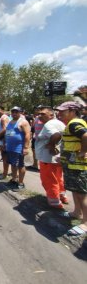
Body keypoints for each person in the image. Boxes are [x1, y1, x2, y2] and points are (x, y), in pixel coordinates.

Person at [56, 101, 87, 236]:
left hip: (78, 166)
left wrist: (83, 151)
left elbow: (85, 136)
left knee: (82, 193)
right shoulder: (71, 123)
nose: (60, 113)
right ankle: (76, 212)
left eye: (63, 111)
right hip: (71, 164)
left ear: (73, 111)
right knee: (75, 190)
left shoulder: (74, 123)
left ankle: (85, 223)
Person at [35, 106, 67, 209]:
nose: (39, 116)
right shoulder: (59, 123)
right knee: (58, 178)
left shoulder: (49, 124)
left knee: (49, 179)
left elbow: (56, 135)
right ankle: (62, 195)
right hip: (57, 157)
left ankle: (54, 202)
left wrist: (51, 146)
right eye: (39, 114)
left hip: (48, 158)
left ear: (51, 115)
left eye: (43, 114)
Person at [4, 106, 31, 191]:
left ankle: (21, 183)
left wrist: (26, 148)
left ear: (20, 113)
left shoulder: (23, 122)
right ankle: (14, 180)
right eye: (13, 112)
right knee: (13, 164)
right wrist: (5, 143)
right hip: (9, 147)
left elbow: (27, 134)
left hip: (18, 148)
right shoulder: (10, 121)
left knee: (20, 165)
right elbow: (8, 133)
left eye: (16, 112)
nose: (14, 113)